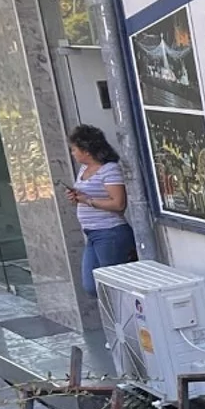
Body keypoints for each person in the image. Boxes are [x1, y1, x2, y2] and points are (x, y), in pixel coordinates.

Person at [64, 125, 137, 294]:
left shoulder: (109, 169)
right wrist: (76, 198)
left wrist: (88, 201)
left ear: (86, 151)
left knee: (112, 286)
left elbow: (118, 204)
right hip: (92, 232)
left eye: (74, 149)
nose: (72, 153)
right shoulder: (84, 169)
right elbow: (86, 197)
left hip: (109, 231)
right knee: (91, 285)